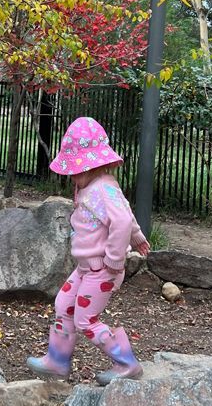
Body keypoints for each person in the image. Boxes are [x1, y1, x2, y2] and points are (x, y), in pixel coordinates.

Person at [27, 116, 150, 385]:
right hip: (85, 267)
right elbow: (126, 211)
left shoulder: (102, 189)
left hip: (102, 269)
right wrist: (139, 236)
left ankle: (126, 362)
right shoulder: (94, 187)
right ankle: (57, 360)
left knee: (85, 319)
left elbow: (121, 220)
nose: (71, 176)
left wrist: (115, 262)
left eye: (74, 170)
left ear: (92, 165)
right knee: (63, 304)